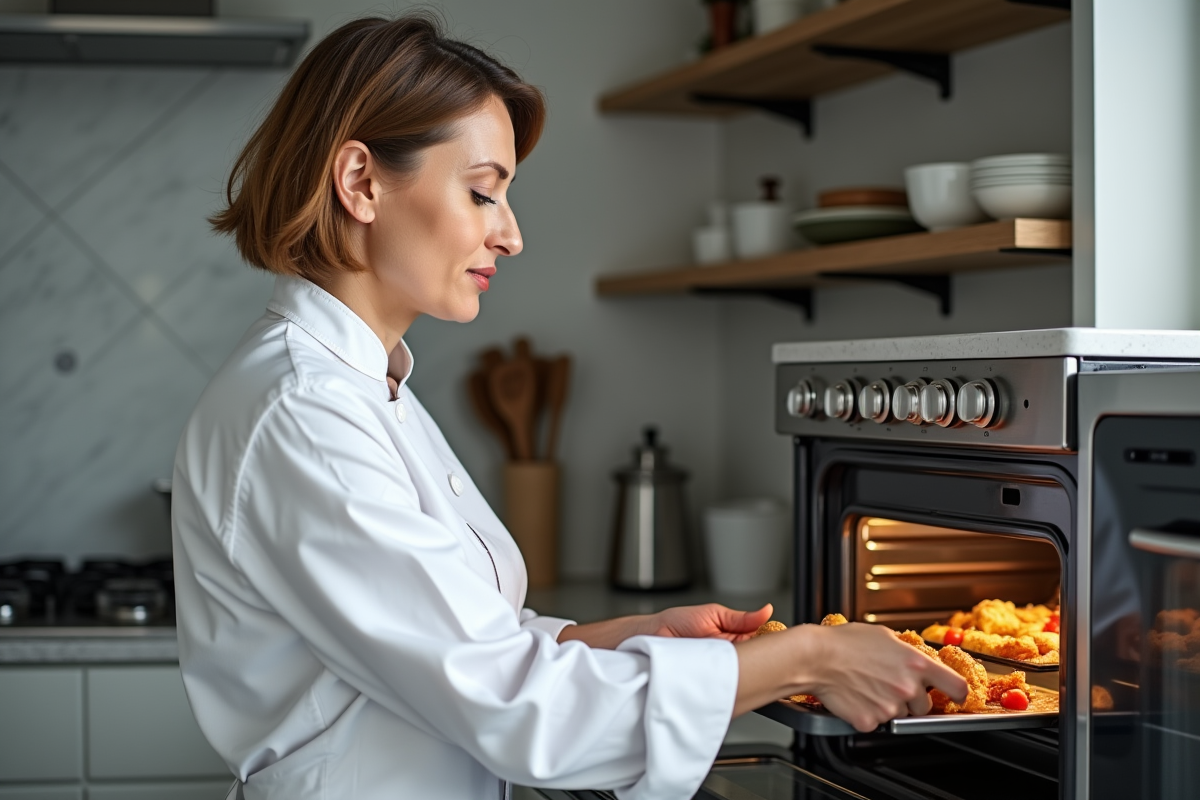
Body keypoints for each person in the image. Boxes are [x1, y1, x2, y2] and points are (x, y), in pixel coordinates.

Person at [172, 13, 967, 800]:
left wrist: (637, 634)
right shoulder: (306, 412)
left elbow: (469, 648)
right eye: (483, 193)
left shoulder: (367, 388)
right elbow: (519, 712)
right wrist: (809, 660)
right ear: (360, 182)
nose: (510, 235)